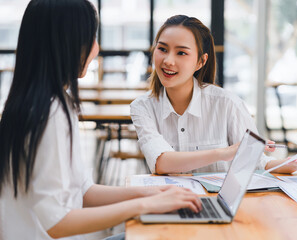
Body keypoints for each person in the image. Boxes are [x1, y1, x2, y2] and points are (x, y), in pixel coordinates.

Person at [0, 2, 201, 240]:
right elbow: (56, 223)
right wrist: (145, 206)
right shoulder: (50, 113)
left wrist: (151, 194)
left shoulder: (40, 102)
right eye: (91, 38)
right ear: (69, 44)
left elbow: (83, 191)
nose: (96, 48)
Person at [130, 15, 297, 174]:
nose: (168, 60)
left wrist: (292, 163)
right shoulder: (142, 107)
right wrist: (225, 153)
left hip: (220, 208)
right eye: (162, 49)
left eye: (181, 53)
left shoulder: (227, 104)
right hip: (169, 205)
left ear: (200, 62)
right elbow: (161, 163)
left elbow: (258, 163)